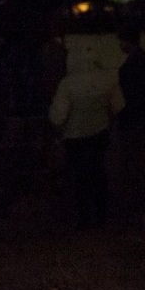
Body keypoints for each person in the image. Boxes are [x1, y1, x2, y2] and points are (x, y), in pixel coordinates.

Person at [48, 47, 125, 228]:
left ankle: (84, 218)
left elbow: (58, 117)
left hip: (75, 138)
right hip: (99, 134)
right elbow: (119, 105)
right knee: (98, 172)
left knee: (79, 175)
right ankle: (101, 215)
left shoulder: (68, 84)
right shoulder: (107, 80)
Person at [114, 26, 145, 225]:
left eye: (121, 41)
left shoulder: (135, 64)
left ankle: (139, 210)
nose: (119, 45)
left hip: (135, 123)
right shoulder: (142, 61)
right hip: (139, 122)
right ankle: (141, 209)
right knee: (139, 167)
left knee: (136, 167)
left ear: (127, 41)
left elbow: (136, 97)